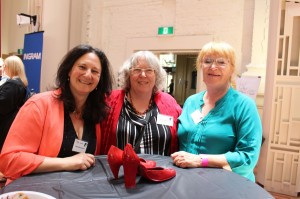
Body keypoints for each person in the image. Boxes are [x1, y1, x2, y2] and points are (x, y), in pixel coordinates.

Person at [0, 44, 113, 185]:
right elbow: (9, 161)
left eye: (95, 71)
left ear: (99, 80)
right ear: (69, 71)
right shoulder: (39, 104)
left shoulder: (95, 114)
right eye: (82, 67)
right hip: (36, 192)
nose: (88, 74)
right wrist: (65, 163)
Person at [171, 41, 262, 182]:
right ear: (200, 66)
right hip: (188, 182)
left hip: (227, 186)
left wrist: (201, 160)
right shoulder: (191, 102)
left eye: (221, 62)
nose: (213, 67)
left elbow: (248, 157)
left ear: (231, 69)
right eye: (207, 61)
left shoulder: (244, 105)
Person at [101, 51, 182, 156]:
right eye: (137, 70)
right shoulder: (110, 101)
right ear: (128, 74)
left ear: (156, 75)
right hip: (120, 171)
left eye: (149, 70)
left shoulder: (169, 102)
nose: (143, 75)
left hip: (158, 171)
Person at [0, 55, 28, 150]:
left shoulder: (12, 84)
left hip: (5, 123)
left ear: (11, 67)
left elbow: (2, 104)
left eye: (5, 66)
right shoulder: (19, 83)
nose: (3, 68)